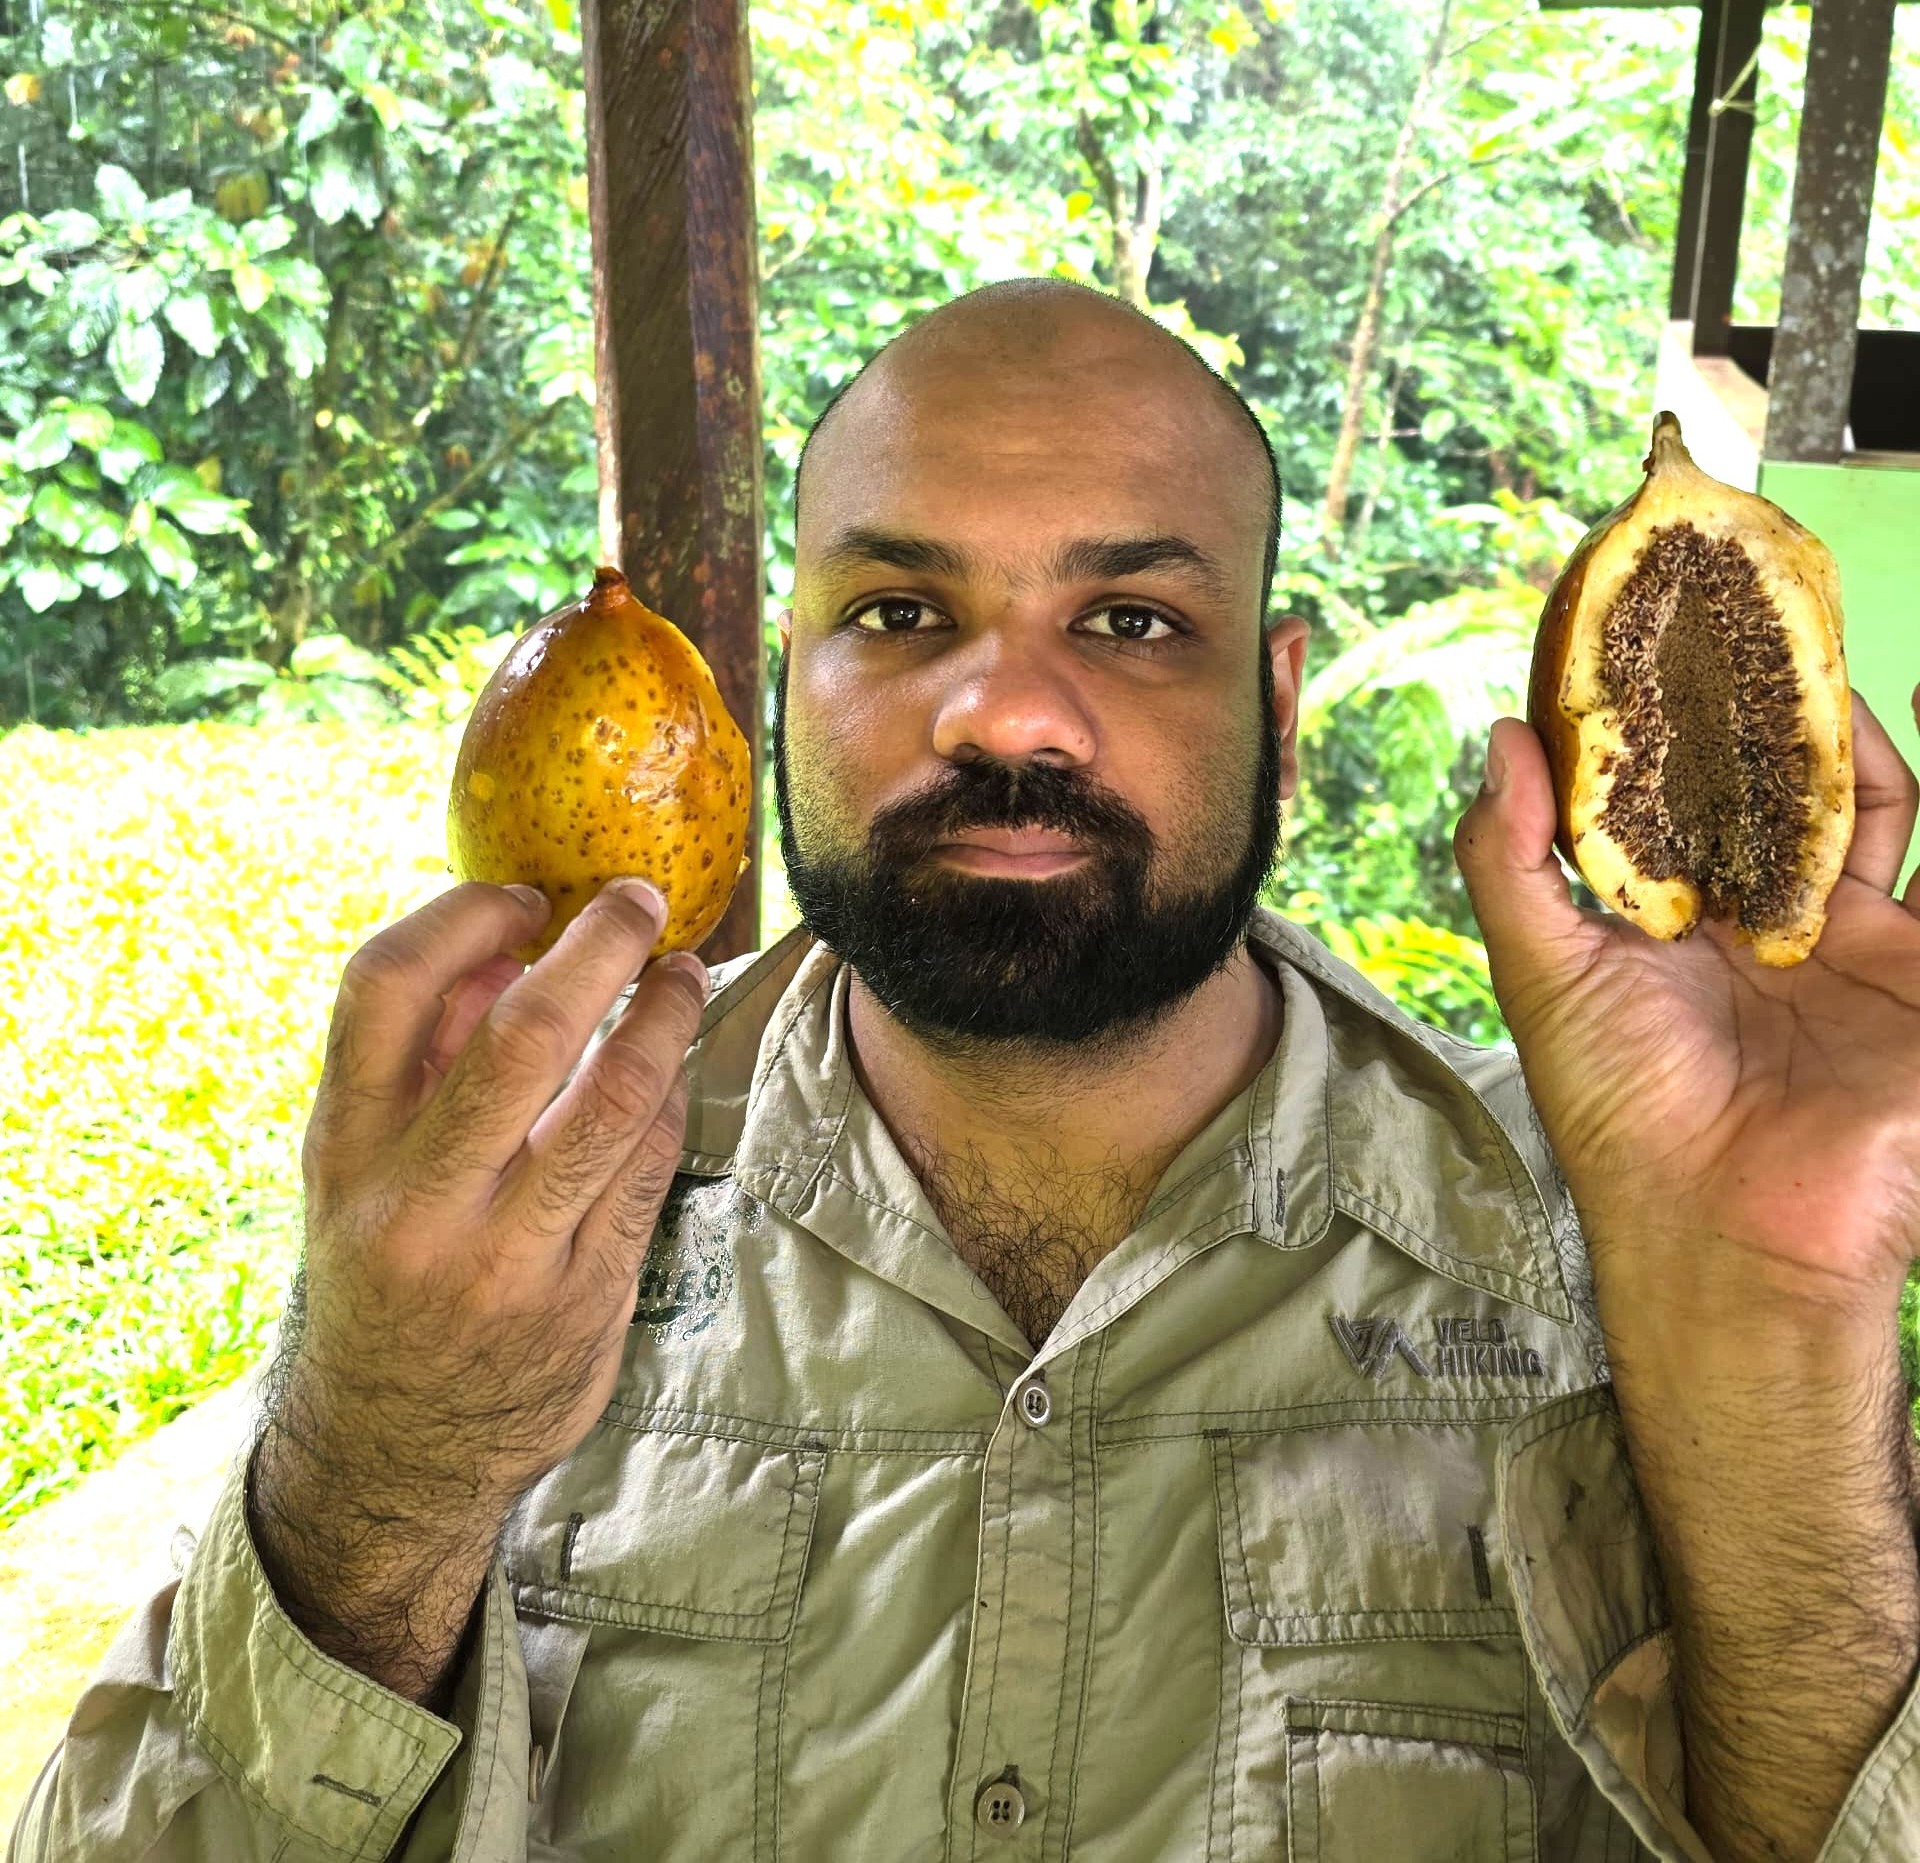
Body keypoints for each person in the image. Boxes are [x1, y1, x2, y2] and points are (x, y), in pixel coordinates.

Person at [11, 279, 1920, 1863]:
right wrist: (379, 1470)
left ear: (1273, 698)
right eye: (900, 613)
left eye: (1130, 621)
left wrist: (1764, 1336)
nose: (1004, 705)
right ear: (786, 687)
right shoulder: (495, 1239)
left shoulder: (1606, 1247)